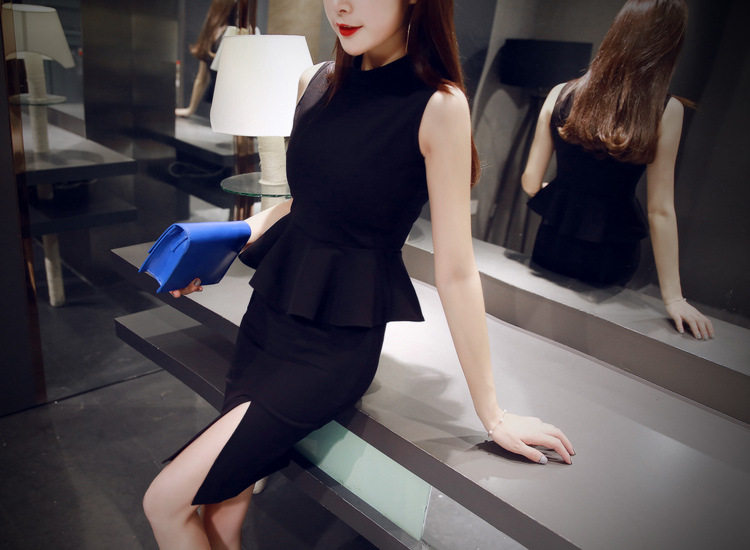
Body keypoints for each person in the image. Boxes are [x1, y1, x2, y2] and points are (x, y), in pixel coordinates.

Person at [144, 1, 575, 547]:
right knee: (222, 512)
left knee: (164, 501)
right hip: (267, 322)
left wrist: (492, 413)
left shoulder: (439, 105)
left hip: (330, 350)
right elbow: (303, 204)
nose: (342, 6)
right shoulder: (314, 81)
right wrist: (215, 248)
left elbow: (457, 271)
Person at [521, 0, 714, 340]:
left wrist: (560, 194)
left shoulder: (559, 93)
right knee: (592, 341)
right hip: (612, 247)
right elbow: (659, 209)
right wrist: (674, 298)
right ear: (668, 46)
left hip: (555, 236)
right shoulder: (666, 110)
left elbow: (531, 181)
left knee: (535, 330)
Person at [176, 0, 244, 118]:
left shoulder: (234, 32)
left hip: (233, 103)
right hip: (220, 104)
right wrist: (190, 110)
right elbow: (202, 78)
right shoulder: (211, 32)